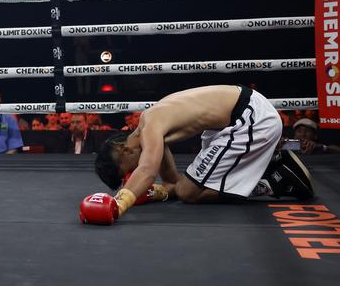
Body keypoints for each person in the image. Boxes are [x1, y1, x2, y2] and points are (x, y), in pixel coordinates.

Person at [82, 85, 315, 224]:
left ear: (125, 150)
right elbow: (172, 182)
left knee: (189, 193)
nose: (133, 173)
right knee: (185, 187)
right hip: (239, 118)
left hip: (249, 119)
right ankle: (268, 164)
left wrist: (118, 204)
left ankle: (273, 180)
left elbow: (147, 170)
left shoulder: (150, 123)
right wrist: (156, 193)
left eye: (128, 170)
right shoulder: (152, 128)